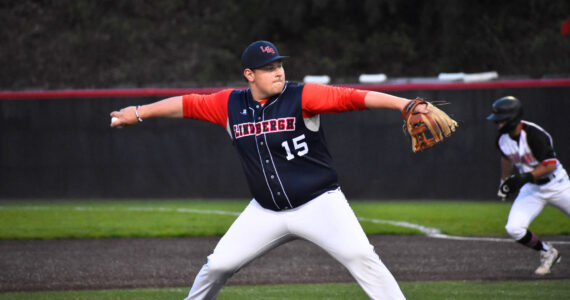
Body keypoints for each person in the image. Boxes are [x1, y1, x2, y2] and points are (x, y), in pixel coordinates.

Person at [110, 40, 433, 300]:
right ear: (250, 74)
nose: (278, 72)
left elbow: (352, 97)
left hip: (319, 204)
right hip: (265, 212)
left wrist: (402, 105)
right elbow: (187, 103)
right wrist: (138, 112)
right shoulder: (230, 104)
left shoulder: (303, 95)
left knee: (362, 258)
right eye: (268, 68)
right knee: (218, 266)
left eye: (279, 65)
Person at [487, 96, 570, 275]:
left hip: (557, 184)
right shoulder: (502, 139)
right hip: (532, 188)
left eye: (501, 120)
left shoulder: (534, 134)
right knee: (514, 228)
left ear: (513, 118)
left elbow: (550, 165)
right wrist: (504, 182)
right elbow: (507, 158)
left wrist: (524, 177)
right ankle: (548, 252)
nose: (498, 124)